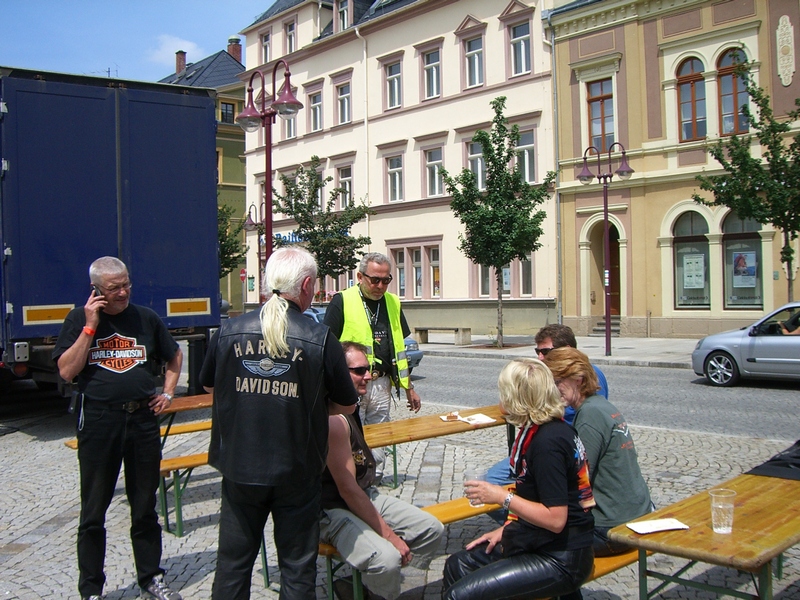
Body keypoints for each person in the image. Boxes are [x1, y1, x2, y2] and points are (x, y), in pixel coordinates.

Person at [199, 246, 359, 599]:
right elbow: (347, 404)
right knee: (298, 568)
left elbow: (211, 384)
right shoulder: (320, 338)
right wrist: (307, 404)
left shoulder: (229, 330)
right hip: (297, 471)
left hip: (240, 467)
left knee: (233, 565)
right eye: (314, 285)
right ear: (305, 285)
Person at [53, 256, 183, 600]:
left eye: (126, 284)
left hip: (141, 420)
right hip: (99, 420)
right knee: (94, 510)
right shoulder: (77, 319)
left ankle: (151, 578)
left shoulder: (145, 318)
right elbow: (67, 371)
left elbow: (174, 356)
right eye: (114, 288)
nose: (123, 292)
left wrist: (168, 392)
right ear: (96, 290)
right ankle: (91, 589)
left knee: (144, 506)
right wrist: (90, 326)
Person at [441, 358, 595, 600]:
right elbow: (535, 493)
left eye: (504, 391)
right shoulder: (543, 429)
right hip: (541, 541)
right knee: (457, 564)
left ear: (517, 398)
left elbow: (556, 519)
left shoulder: (548, 443)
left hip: (561, 557)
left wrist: (501, 496)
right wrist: (506, 530)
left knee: (459, 595)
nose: (500, 397)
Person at [321, 341, 444, 600]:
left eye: (370, 369)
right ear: (336, 374)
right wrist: (390, 536)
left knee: (432, 529)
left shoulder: (350, 406)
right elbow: (347, 490)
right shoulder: (332, 420)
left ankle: (371, 588)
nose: (368, 376)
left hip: (364, 494)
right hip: (329, 508)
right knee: (386, 557)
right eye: (358, 370)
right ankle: (377, 590)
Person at [543, 347, 652, 558]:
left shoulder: (590, 415)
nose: (553, 390)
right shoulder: (601, 405)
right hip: (636, 514)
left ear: (579, 380)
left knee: (533, 542)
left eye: (557, 383)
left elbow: (577, 481)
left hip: (612, 527)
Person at [323, 252, 421, 481]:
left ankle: (374, 477)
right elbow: (328, 346)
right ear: (359, 276)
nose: (380, 286)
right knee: (350, 433)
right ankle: (350, 481)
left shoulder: (393, 302)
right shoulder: (343, 300)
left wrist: (408, 388)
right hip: (351, 383)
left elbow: (399, 347)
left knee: (380, 433)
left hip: (382, 382)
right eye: (374, 280)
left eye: (386, 280)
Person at [485, 324, 608, 489]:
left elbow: (508, 408)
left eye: (546, 352)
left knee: (491, 481)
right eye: (538, 352)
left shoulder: (558, 379)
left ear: (567, 349)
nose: (541, 358)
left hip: (561, 451)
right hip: (569, 449)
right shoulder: (594, 372)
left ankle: (525, 511)